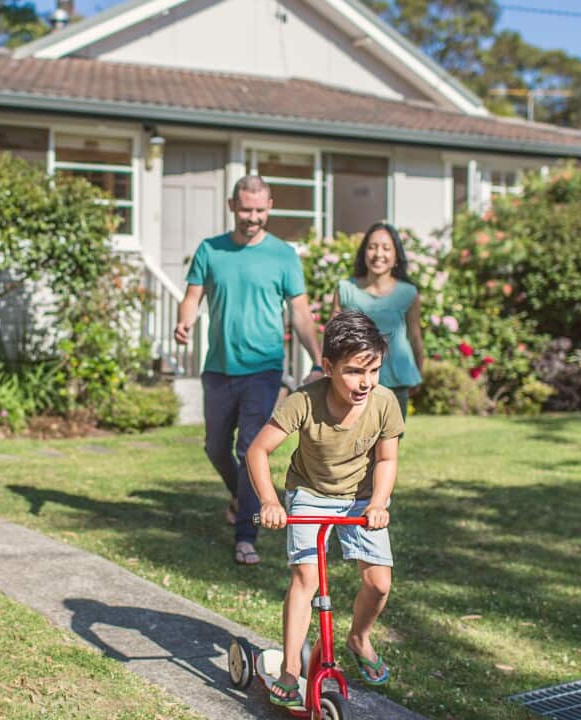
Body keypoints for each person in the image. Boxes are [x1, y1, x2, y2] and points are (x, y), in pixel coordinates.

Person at [247, 310, 403, 707]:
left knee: (379, 583)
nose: (365, 383)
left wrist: (380, 503)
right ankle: (291, 669)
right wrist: (269, 501)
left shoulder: (384, 402)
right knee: (306, 579)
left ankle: (359, 637)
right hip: (310, 491)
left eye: (374, 371)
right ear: (328, 366)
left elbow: (386, 460)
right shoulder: (304, 401)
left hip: (362, 497)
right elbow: (258, 451)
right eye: (353, 372)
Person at [175, 175, 321, 566]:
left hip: (263, 368)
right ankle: (242, 495)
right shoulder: (210, 250)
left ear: (269, 205)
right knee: (215, 446)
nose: (252, 217)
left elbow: (302, 315)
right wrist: (184, 321)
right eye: (245, 209)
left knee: (249, 448)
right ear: (231, 206)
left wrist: (319, 360)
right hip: (219, 367)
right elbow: (192, 297)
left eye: (259, 210)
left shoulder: (283, 256)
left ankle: (246, 535)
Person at [332, 222, 424, 419]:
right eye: (372, 247)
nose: (378, 254)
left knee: (390, 443)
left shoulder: (408, 293)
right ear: (364, 253)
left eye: (386, 248)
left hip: (397, 381)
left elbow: (415, 336)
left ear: (396, 256)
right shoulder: (346, 290)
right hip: (355, 380)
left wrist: (418, 372)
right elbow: (333, 336)